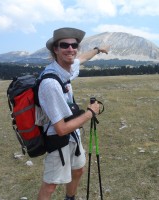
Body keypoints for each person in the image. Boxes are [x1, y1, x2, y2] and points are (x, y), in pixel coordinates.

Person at [37, 27, 109, 200]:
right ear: (56, 49)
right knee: (51, 184)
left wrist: (99, 49)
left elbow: (83, 58)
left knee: (78, 170)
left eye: (74, 45)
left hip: (73, 135)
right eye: (64, 45)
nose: (70, 49)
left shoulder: (66, 69)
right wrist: (90, 113)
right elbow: (61, 129)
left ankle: (70, 198)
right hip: (58, 138)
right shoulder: (50, 83)